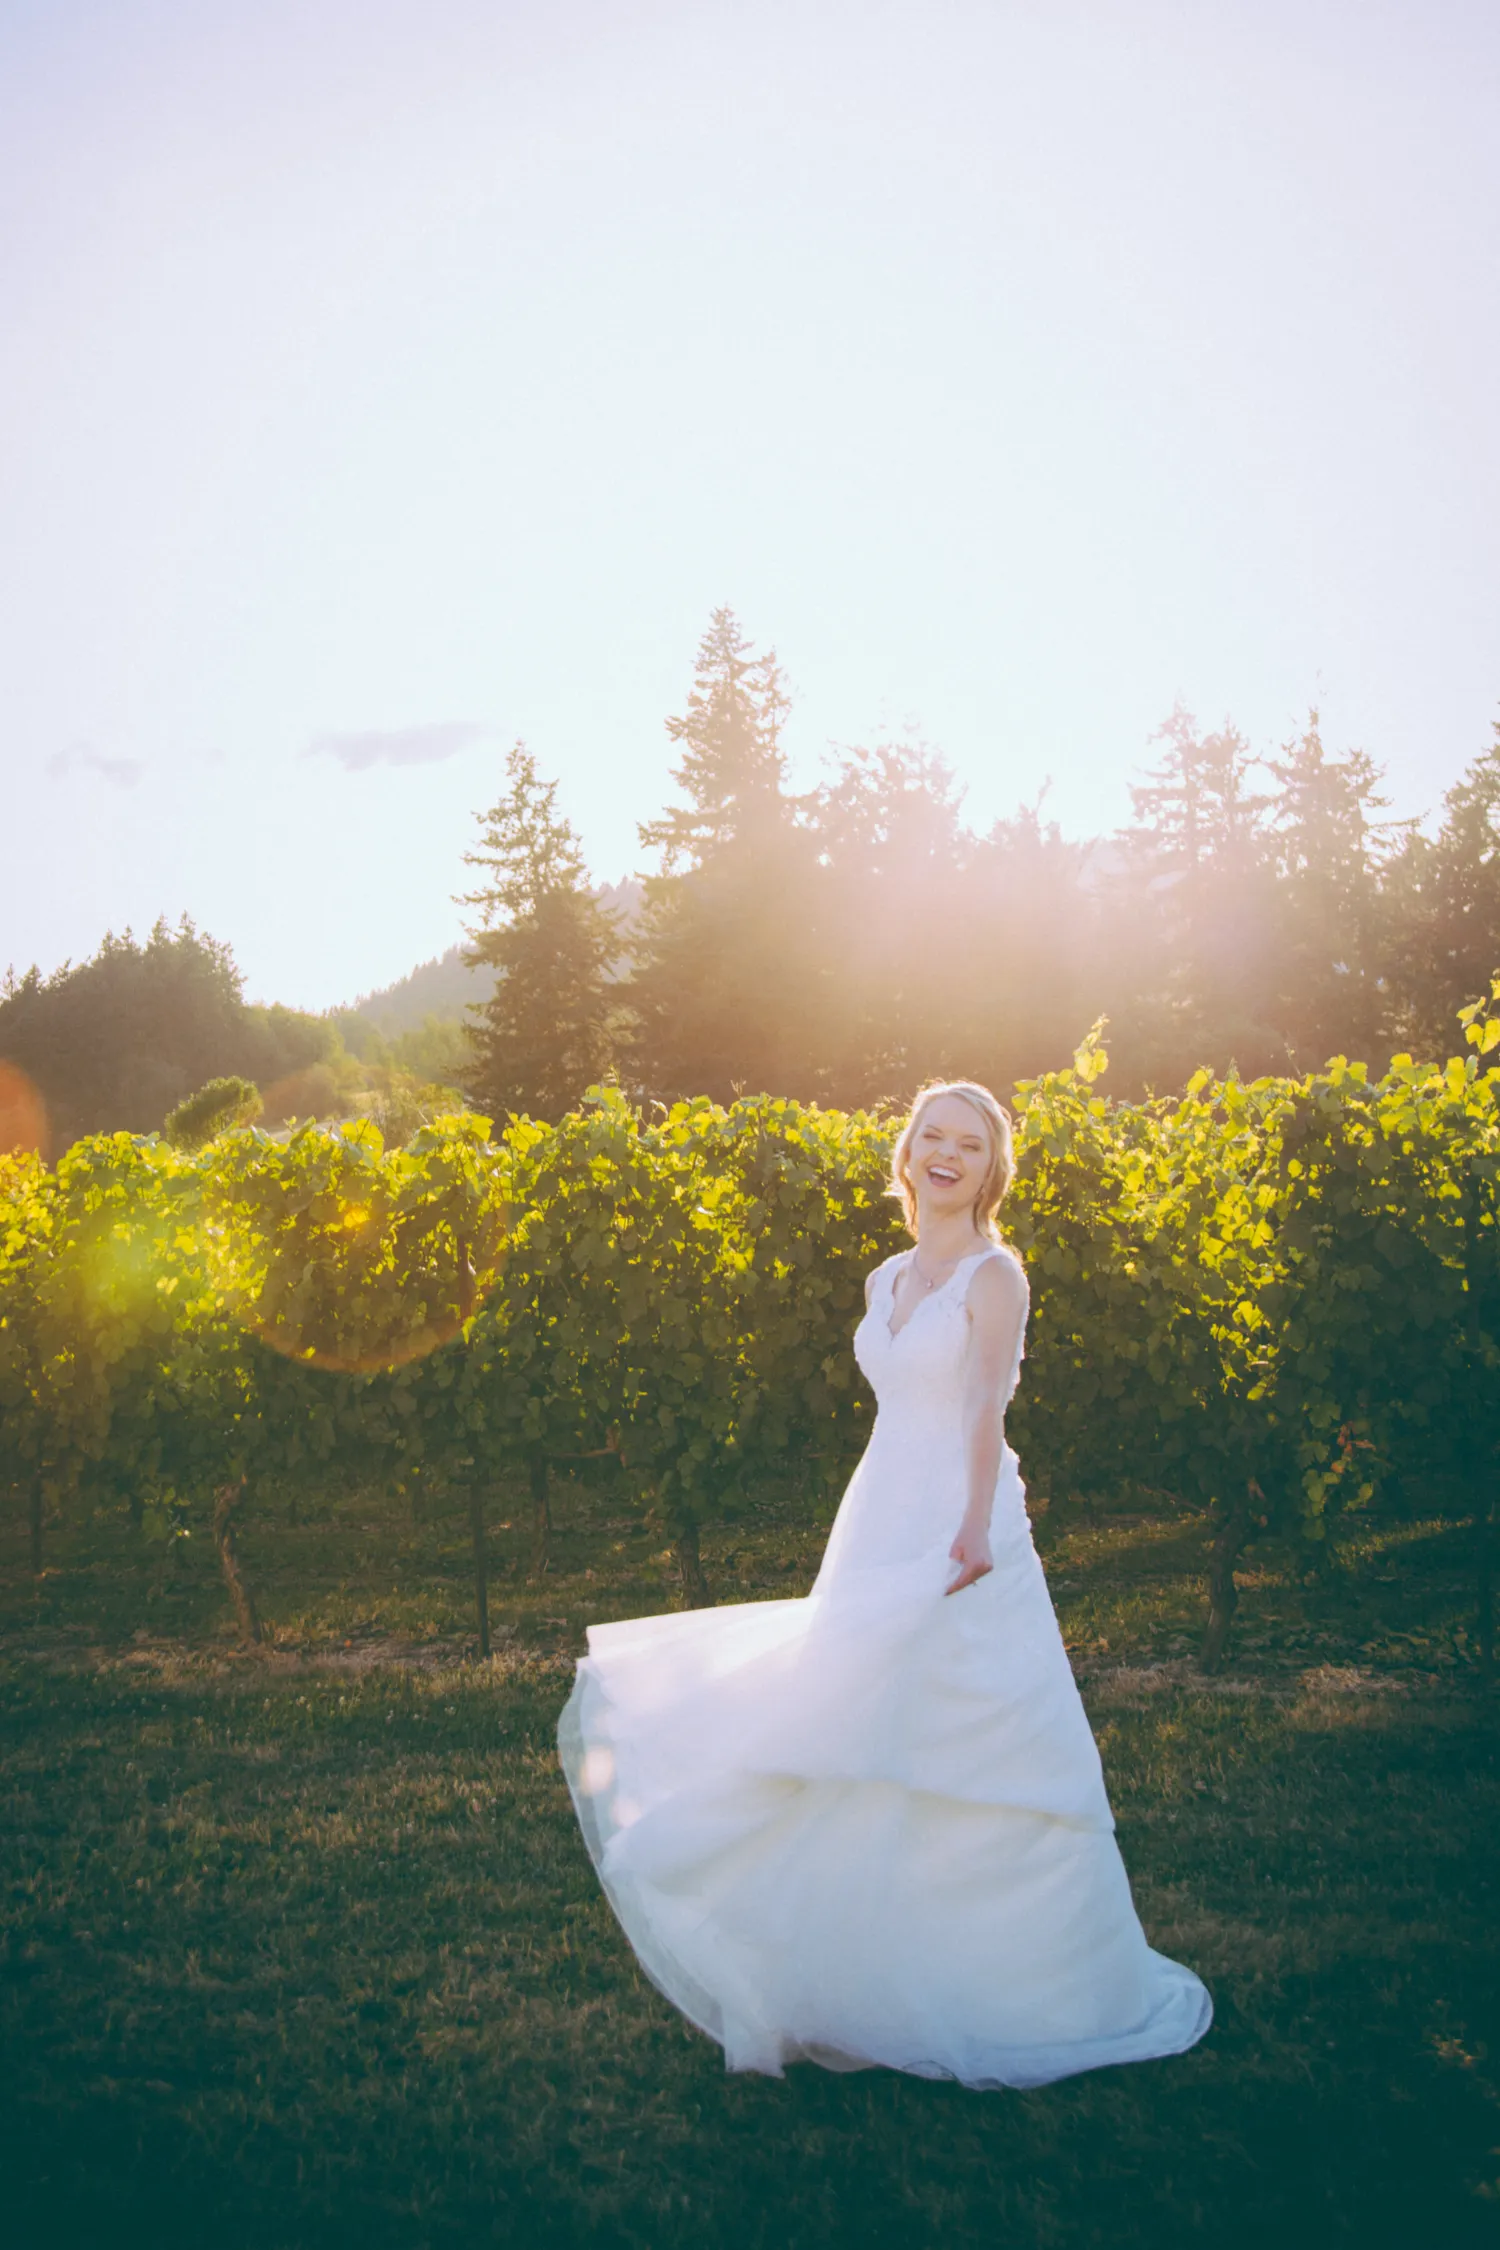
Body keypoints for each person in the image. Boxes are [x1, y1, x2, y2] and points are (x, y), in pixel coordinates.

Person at [558, 1080, 1212, 2088]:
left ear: (994, 1168)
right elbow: (894, 1409)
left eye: (970, 1144)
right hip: (879, 1513)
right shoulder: (886, 1277)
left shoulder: (995, 1277)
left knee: (965, 1744)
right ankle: (857, 1975)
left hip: (960, 1522)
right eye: (931, 1138)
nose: (947, 1155)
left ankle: (1014, 1982)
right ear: (905, 1155)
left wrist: (975, 1529)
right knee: (851, 1729)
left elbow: (984, 1409)